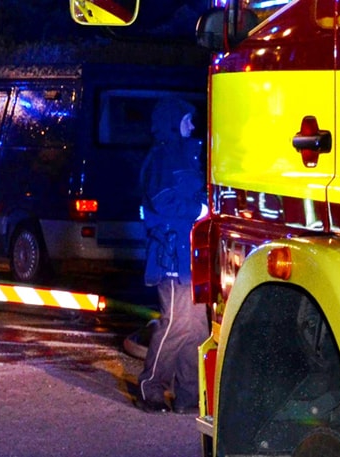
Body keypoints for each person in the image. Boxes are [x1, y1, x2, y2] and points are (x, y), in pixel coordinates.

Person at [134, 98, 209, 414]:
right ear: (172, 123)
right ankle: (150, 386)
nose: (192, 125)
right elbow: (163, 200)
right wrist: (199, 209)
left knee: (197, 330)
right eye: (186, 120)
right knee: (177, 324)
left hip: (189, 254)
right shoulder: (162, 157)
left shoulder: (186, 154)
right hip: (171, 254)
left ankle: (189, 397)